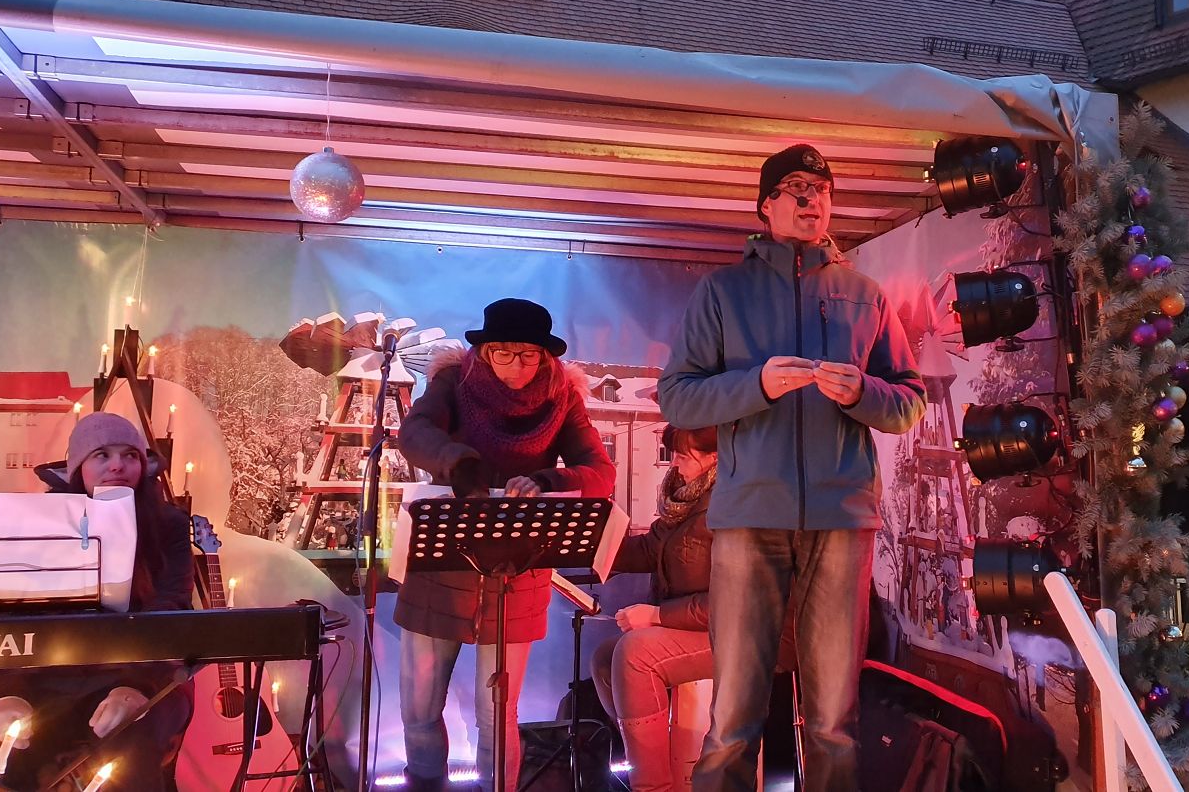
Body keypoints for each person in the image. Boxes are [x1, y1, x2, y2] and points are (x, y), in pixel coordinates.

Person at [658, 143, 926, 792]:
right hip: (749, 518)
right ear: (766, 206)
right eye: (797, 188)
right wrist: (758, 385)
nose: (812, 200)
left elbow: (909, 402)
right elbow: (678, 397)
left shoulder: (865, 296)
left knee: (834, 720)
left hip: (842, 519)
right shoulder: (722, 292)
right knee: (733, 716)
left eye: (822, 189)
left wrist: (863, 392)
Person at [396, 298, 616, 792]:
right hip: (443, 566)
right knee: (419, 709)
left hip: (519, 571)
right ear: (485, 351)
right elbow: (415, 432)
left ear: (545, 356)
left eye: (529, 354)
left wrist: (550, 480)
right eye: (504, 353)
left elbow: (599, 472)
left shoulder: (563, 397)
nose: (516, 365)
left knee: (496, 714)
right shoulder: (454, 381)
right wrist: (458, 462)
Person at [0, 412, 195, 791]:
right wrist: (7, 692)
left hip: (140, 670)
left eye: (129, 455)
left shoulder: (169, 525)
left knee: (127, 746)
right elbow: (11, 613)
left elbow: (171, 609)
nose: (117, 465)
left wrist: (135, 687)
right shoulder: (39, 524)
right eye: (102, 455)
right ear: (78, 468)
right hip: (48, 673)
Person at [592, 424, 718, 792]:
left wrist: (656, 616)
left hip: (738, 635)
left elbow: (734, 604)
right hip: (695, 624)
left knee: (635, 654)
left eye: (682, 456)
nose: (673, 464)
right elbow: (651, 548)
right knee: (605, 658)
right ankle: (655, 763)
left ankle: (652, 786)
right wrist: (592, 542)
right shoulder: (687, 499)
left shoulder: (731, 507)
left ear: (714, 458)